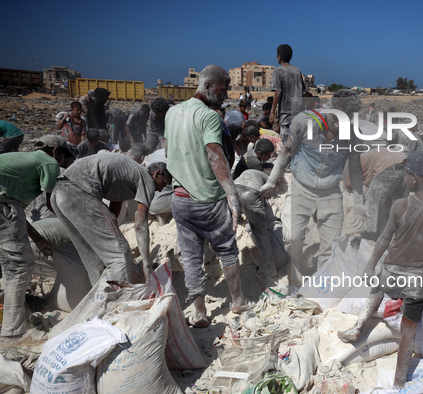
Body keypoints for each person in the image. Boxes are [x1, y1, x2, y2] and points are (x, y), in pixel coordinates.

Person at [338, 151, 423, 389]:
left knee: (378, 287)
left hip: (391, 273)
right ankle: (399, 382)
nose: (404, 178)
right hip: (419, 281)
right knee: (408, 331)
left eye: (405, 174)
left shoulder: (400, 205)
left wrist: (370, 265)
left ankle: (358, 326)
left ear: (414, 178)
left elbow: (384, 239)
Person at [165, 64, 248, 328]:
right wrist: (232, 195)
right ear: (208, 86)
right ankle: (237, 302)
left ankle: (200, 313)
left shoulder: (172, 113)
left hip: (180, 198)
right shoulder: (210, 117)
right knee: (227, 250)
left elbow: (170, 150)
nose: (224, 96)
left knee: (191, 257)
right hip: (209, 199)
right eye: (223, 89)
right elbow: (215, 154)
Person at [261, 89, 368, 288]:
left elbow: (355, 168)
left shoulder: (352, 136)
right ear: (331, 108)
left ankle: (319, 287)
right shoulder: (305, 123)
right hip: (301, 188)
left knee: (330, 247)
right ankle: (297, 270)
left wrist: (360, 204)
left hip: (330, 193)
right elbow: (285, 152)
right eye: (337, 117)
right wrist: (272, 181)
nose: (339, 124)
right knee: (293, 239)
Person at [50, 153, 171, 286]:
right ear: (157, 173)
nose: (161, 189)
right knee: (119, 250)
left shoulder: (129, 173)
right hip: (80, 191)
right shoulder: (147, 179)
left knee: (92, 255)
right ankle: (118, 300)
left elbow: (114, 207)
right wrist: (147, 266)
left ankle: (100, 297)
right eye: (163, 183)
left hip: (59, 192)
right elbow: (140, 225)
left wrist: (111, 232)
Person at [0, 137, 73, 342]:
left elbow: (16, 212)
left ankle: (13, 313)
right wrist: (71, 221)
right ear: (57, 152)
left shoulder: (22, 162)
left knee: (9, 264)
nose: (63, 166)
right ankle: (12, 333)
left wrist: (38, 239)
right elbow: (52, 204)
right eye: (65, 160)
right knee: (20, 266)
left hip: (5, 208)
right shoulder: (48, 163)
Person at [343, 148, 408, 241]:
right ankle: (390, 240)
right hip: (406, 169)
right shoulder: (371, 157)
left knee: (371, 208)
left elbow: (348, 184)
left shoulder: (357, 160)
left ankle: (368, 242)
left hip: (388, 168)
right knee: (395, 210)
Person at [235, 168, 287, 281]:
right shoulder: (270, 182)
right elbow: (270, 202)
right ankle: (271, 272)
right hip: (250, 192)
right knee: (262, 235)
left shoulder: (255, 173)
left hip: (234, 189)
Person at [270, 44, 306, 142]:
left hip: (285, 114)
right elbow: (302, 91)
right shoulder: (297, 71)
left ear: (279, 56)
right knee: (297, 142)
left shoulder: (278, 71)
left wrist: (272, 112)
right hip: (298, 113)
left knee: (285, 143)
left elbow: (277, 92)